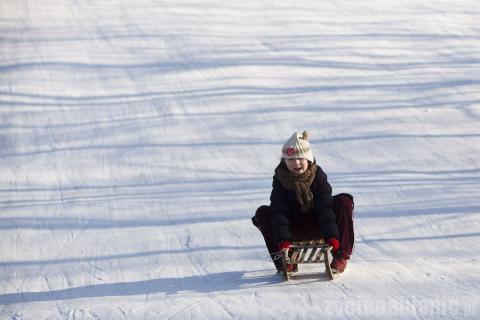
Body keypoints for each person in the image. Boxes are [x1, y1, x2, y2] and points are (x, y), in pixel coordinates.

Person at [252, 131, 354, 274]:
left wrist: (331, 237)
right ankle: (284, 261)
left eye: (300, 158)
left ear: (309, 159)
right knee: (263, 212)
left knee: (344, 201)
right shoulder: (280, 179)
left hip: (318, 224)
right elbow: (279, 209)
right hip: (293, 229)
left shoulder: (318, 176)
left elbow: (324, 207)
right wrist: (283, 239)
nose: (296, 163)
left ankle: (341, 255)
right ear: (284, 161)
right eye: (290, 159)